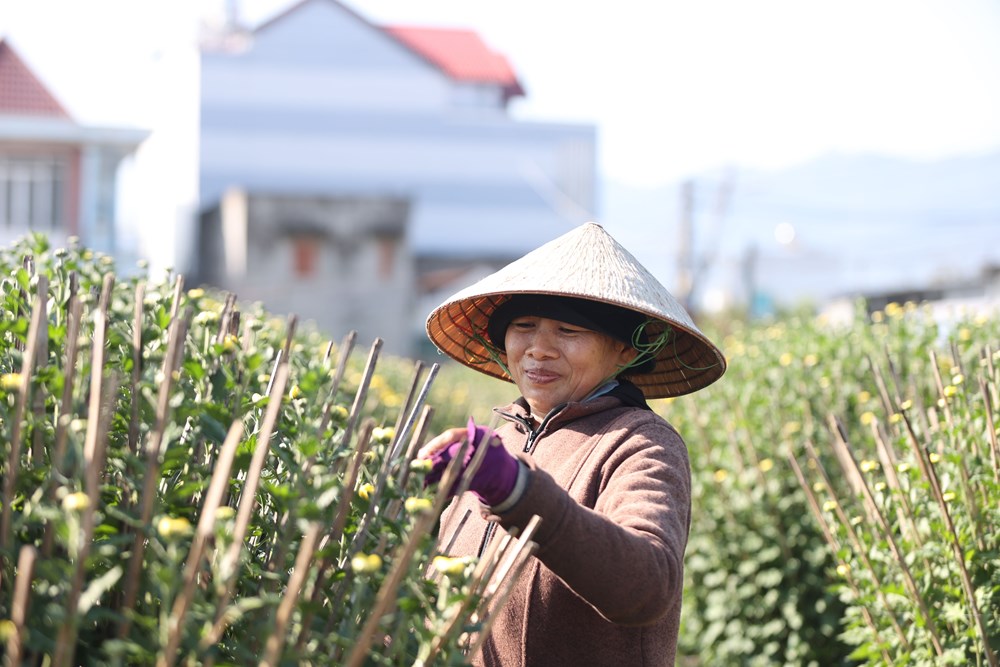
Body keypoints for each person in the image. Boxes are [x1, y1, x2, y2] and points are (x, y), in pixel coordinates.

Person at [420, 221, 726, 666]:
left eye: (569, 331)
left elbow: (647, 587)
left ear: (623, 352)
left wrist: (517, 491)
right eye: (523, 325)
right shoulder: (502, 440)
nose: (539, 349)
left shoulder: (640, 443)